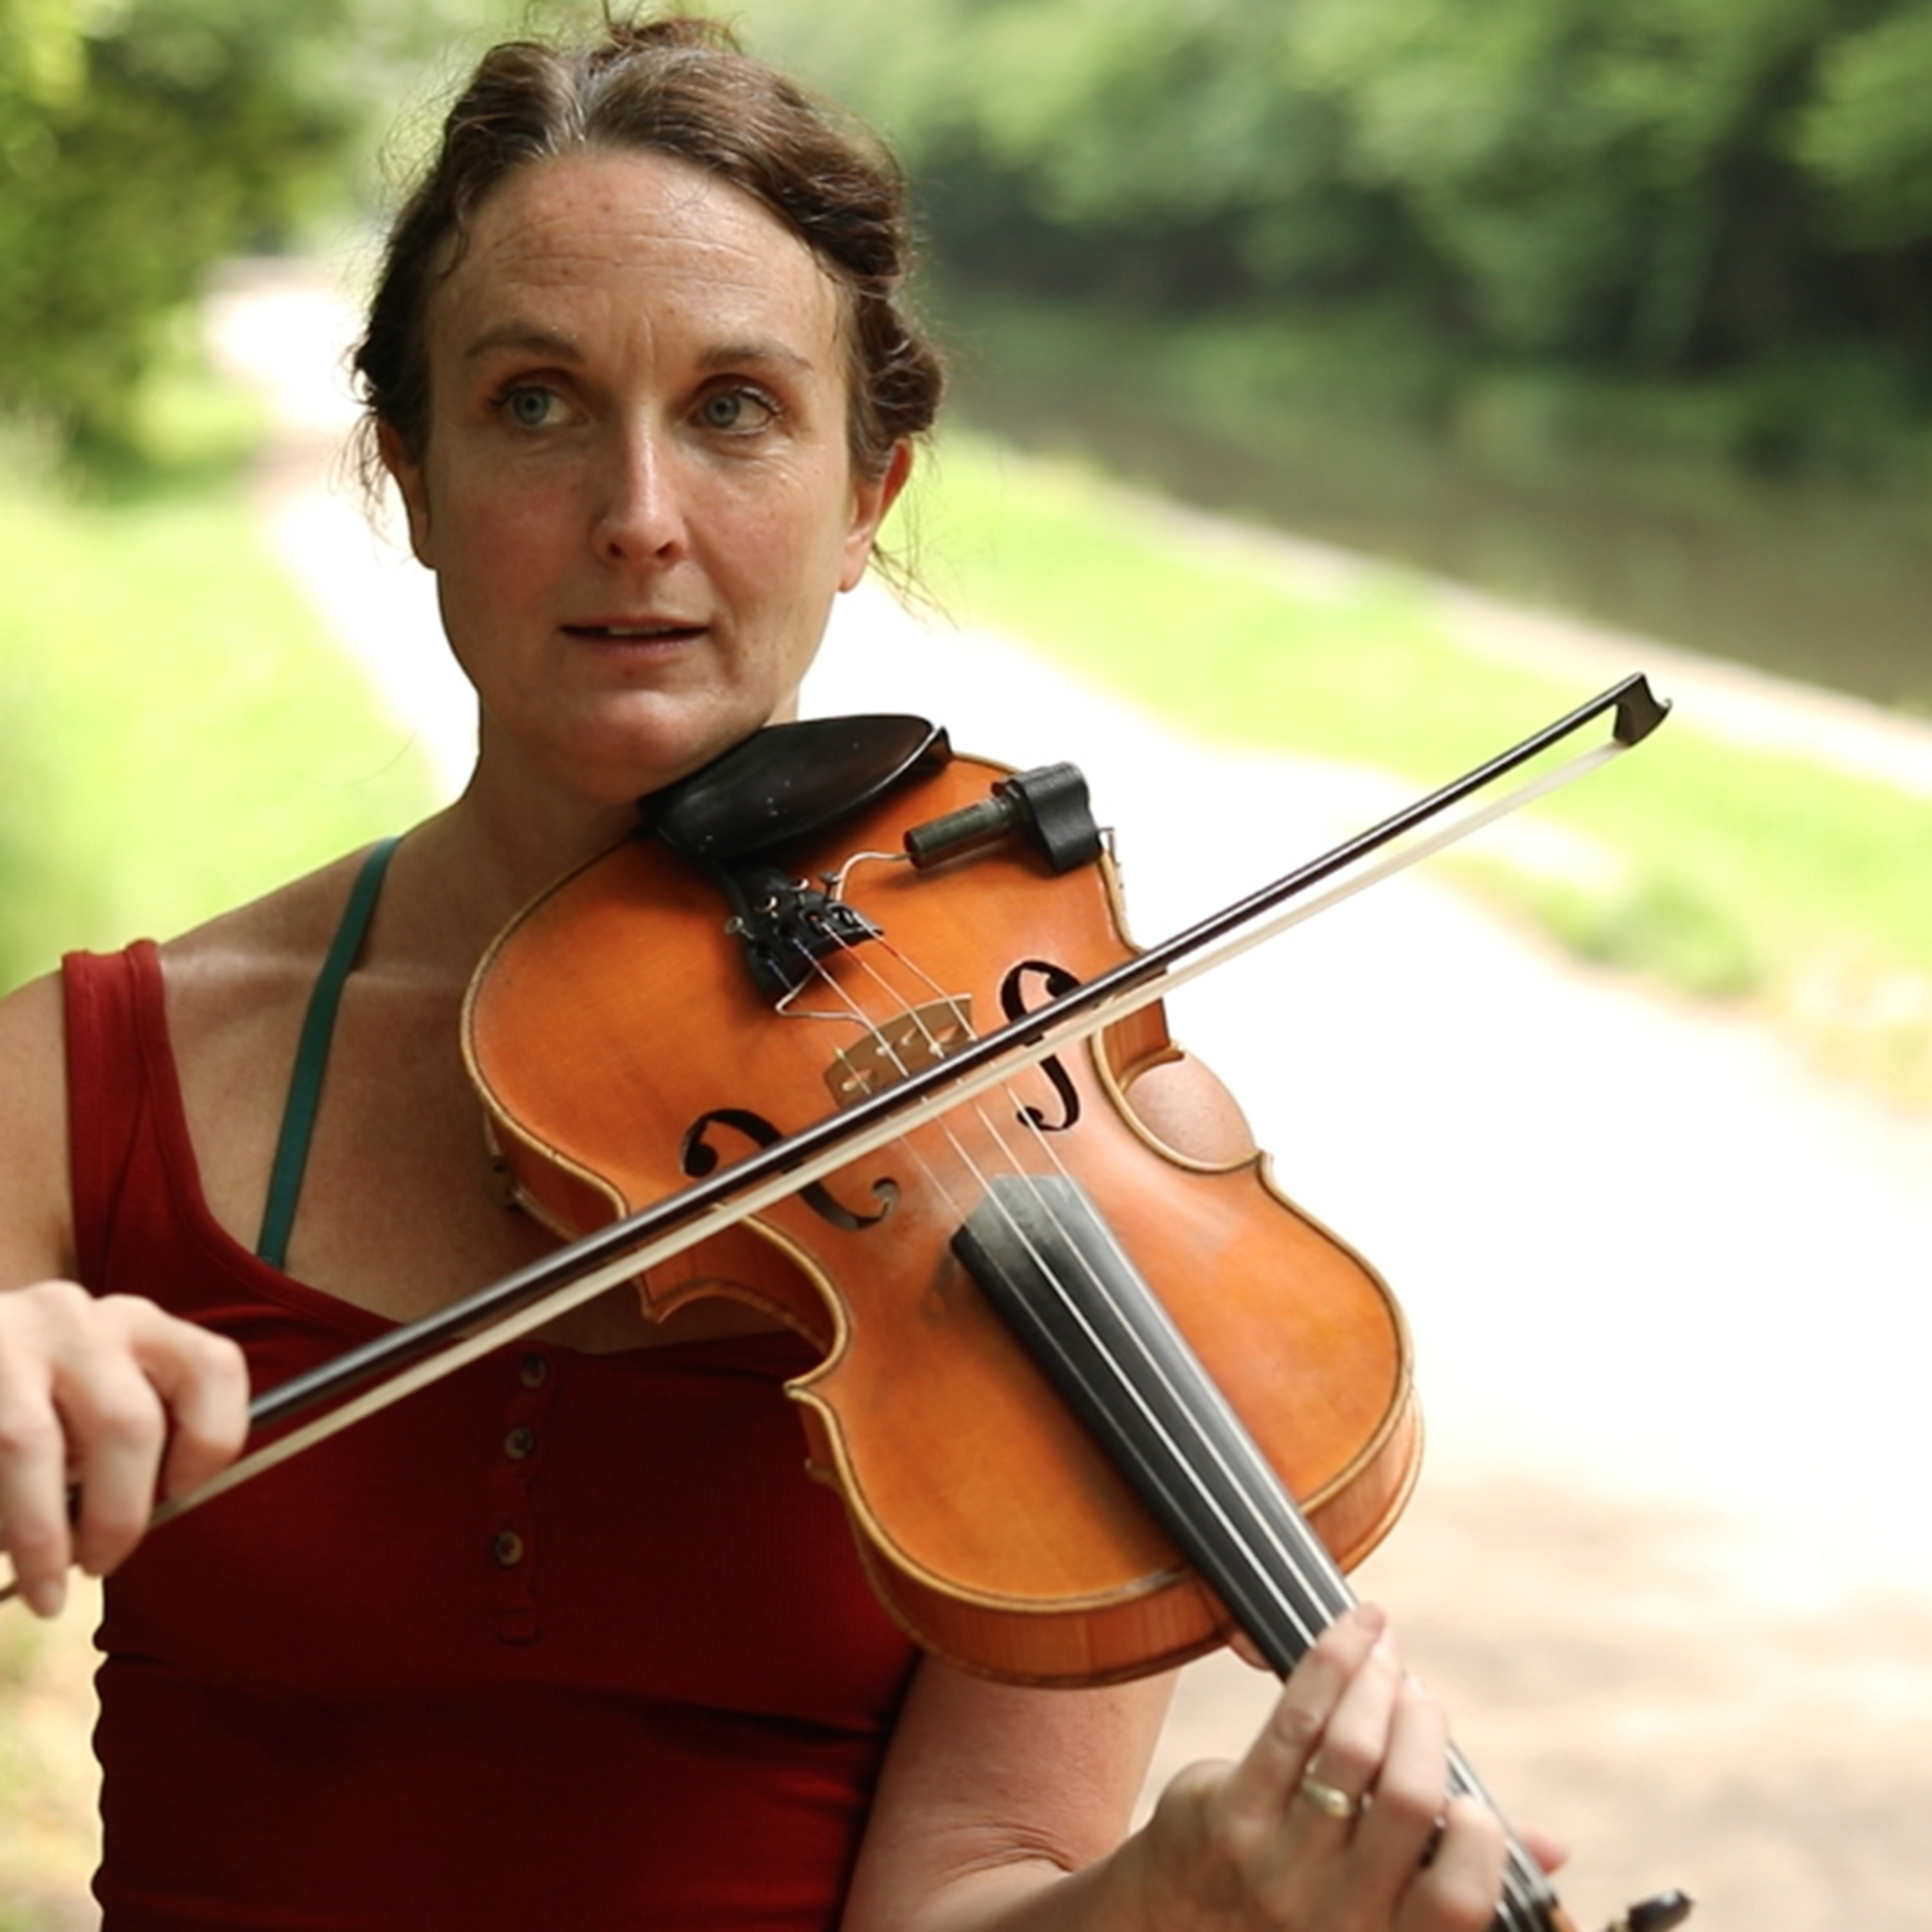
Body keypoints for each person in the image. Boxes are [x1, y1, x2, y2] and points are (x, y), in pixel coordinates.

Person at [0, 15, 1557, 1929]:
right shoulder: (94, 1083)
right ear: (408, 473)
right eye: (536, 403)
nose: (639, 517)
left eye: (735, 409)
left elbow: (974, 1885)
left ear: (864, 499)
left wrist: (1178, 1900)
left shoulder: (1106, 1157)